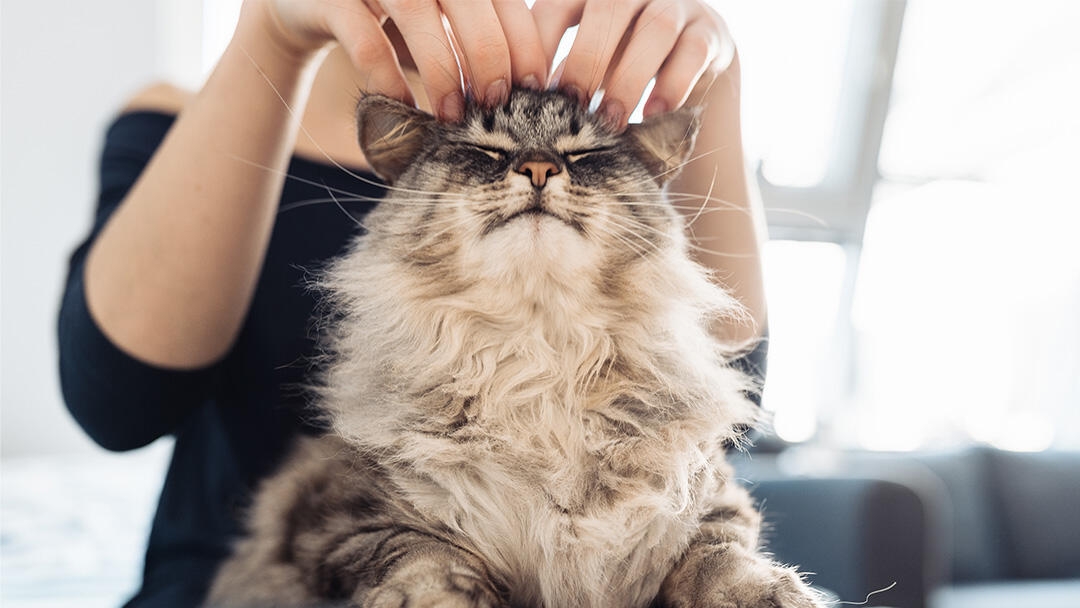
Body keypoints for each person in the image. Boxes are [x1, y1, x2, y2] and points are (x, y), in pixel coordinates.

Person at [57, 0, 768, 605]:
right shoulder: (171, 117)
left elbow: (722, 419)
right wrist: (271, 33)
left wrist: (714, 75)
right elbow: (116, 403)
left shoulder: (611, 143)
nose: (537, 170)